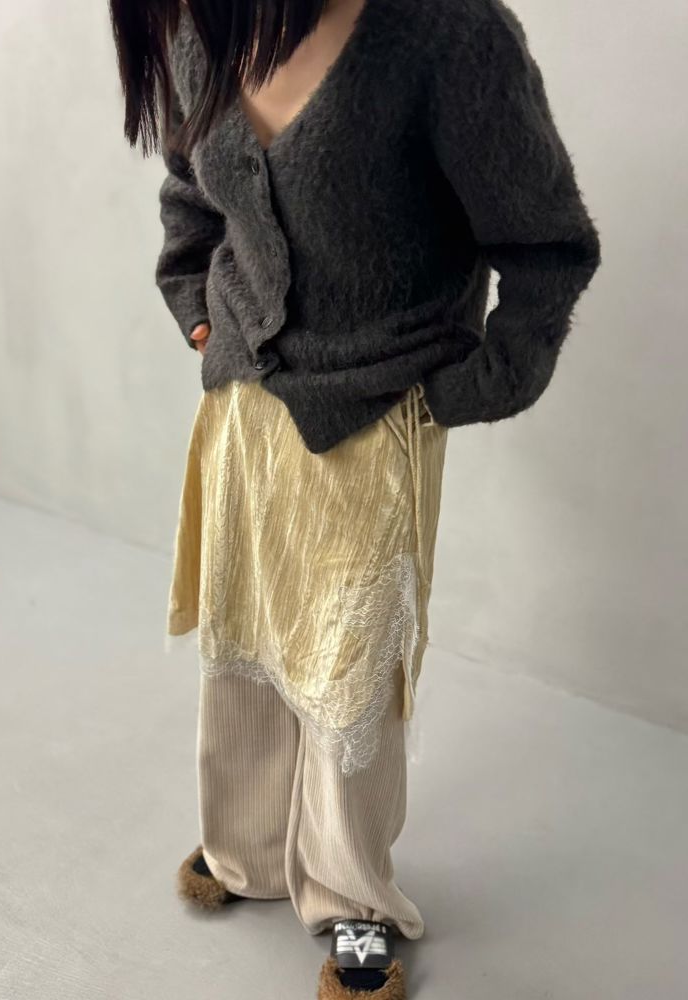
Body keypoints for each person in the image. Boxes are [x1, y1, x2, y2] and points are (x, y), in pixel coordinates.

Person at [109, 0, 601, 994]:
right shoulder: (210, 22)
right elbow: (192, 187)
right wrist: (198, 308)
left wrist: (479, 382)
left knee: (350, 664)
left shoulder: (448, 34)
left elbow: (547, 244)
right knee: (244, 634)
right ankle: (247, 848)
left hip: (377, 411)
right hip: (244, 399)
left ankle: (350, 897)